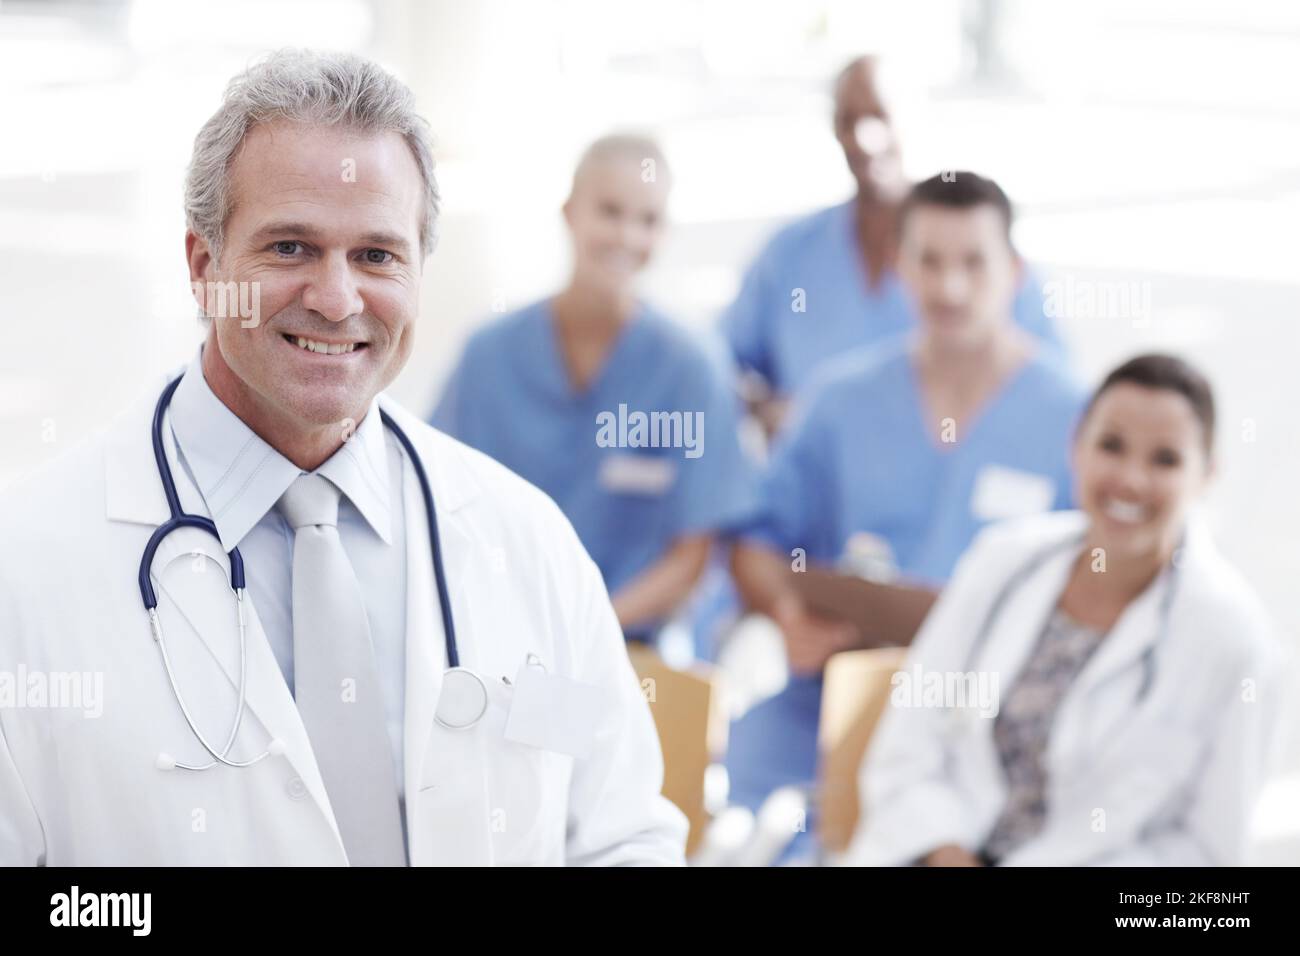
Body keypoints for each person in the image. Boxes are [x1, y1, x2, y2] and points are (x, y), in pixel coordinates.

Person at [0, 50, 686, 866]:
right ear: (203, 266)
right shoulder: (29, 567)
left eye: (377, 255)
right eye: (290, 248)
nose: (336, 299)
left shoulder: (526, 542)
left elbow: (620, 835)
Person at [725, 172, 1086, 826]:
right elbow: (757, 539)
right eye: (929, 260)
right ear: (898, 264)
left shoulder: (1076, 421)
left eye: (974, 263)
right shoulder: (839, 401)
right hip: (834, 704)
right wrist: (786, 612)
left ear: (1015, 269)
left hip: (993, 720)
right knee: (754, 824)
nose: (950, 287)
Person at [849, 354, 1289, 866]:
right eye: (1111, 446)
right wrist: (945, 852)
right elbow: (906, 750)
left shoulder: (1237, 645)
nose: (1131, 478)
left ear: (1207, 474)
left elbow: (1211, 858)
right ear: (1076, 447)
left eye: (1165, 459)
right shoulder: (1001, 561)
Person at [433, 135, 757, 642]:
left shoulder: (692, 368)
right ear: (570, 213)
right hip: (494, 633)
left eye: (647, 220)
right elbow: (439, 502)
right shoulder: (489, 356)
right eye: (609, 211)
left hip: (635, 646)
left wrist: (586, 630)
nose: (626, 236)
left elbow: (692, 556)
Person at [720, 56, 1064, 435]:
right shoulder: (789, 254)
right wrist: (766, 409)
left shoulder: (990, 260)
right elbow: (720, 362)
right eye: (849, 120)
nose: (866, 139)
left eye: (881, 116)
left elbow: (1053, 391)